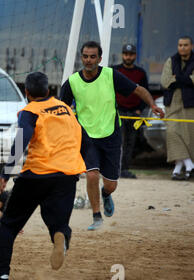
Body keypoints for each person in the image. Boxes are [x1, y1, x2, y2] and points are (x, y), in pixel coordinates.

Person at [0, 72, 88, 280]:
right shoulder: (67, 109)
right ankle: (60, 237)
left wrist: (5, 174)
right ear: (49, 91)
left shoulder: (30, 111)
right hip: (67, 174)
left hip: (37, 174)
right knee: (57, 222)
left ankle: (1, 273)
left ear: (27, 92)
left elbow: (21, 140)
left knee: (9, 224)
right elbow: (83, 138)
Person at [60, 41, 164, 231]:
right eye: (85, 56)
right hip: (87, 137)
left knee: (111, 184)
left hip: (111, 136)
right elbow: (61, 109)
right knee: (91, 175)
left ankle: (106, 194)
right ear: (81, 57)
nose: (88, 60)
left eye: (93, 57)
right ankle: (96, 216)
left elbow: (138, 90)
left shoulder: (110, 75)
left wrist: (153, 105)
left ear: (100, 59)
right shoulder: (73, 82)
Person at [112, 44, 150, 179]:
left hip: (134, 114)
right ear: (122, 55)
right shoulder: (114, 70)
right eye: (126, 54)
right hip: (118, 112)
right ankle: (115, 169)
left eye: (131, 54)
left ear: (135, 55)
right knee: (118, 142)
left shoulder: (141, 73)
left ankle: (125, 169)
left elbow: (145, 93)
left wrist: (139, 109)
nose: (128, 57)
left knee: (130, 142)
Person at [161, 35, 194, 181]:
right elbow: (165, 81)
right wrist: (186, 79)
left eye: (185, 45)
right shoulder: (171, 60)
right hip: (173, 102)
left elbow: (178, 80)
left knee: (188, 136)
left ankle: (178, 168)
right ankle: (190, 164)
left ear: (191, 46)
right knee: (172, 131)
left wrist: (177, 78)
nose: (182, 48)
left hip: (190, 103)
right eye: (180, 45)